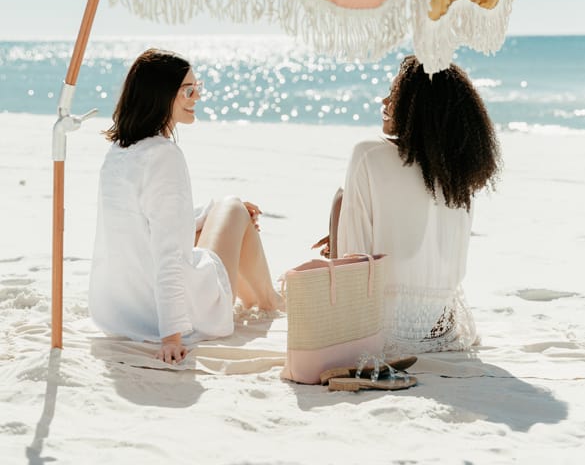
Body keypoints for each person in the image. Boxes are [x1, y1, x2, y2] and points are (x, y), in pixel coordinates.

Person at [89, 48, 282, 364]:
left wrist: (206, 216)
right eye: (189, 90)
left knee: (221, 209)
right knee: (233, 206)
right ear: (162, 94)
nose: (197, 97)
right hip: (172, 315)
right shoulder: (164, 156)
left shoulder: (119, 153)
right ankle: (269, 300)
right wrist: (171, 337)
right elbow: (169, 254)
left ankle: (264, 297)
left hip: (125, 310)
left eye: (199, 88)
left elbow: (142, 225)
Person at [316, 55, 501, 354]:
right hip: (442, 331)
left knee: (341, 200)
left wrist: (340, 231)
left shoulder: (369, 154)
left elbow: (353, 262)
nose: (385, 99)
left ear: (417, 107)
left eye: (395, 92)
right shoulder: (460, 170)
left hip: (381, 331)